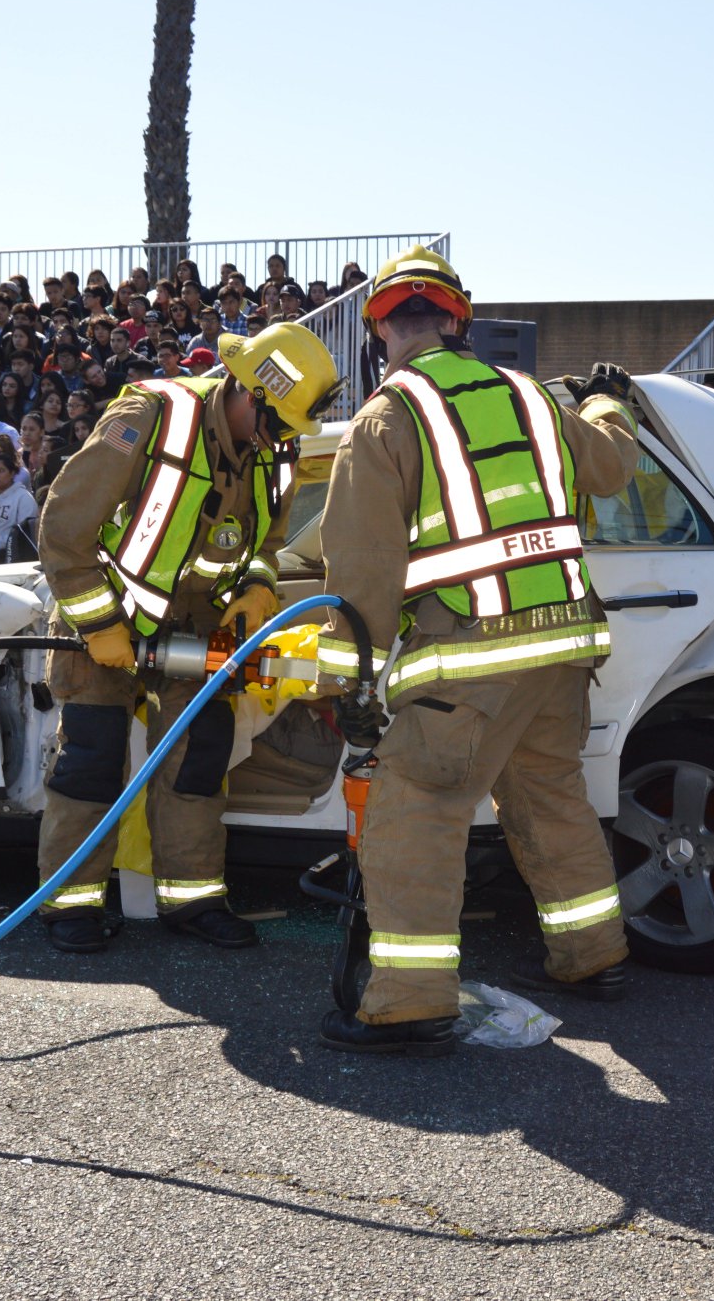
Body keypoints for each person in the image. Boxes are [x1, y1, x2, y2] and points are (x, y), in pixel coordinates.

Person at [310, 247, 638, 1057]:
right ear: (459, 321)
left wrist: (341, 685)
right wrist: (606, 403)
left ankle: (408, 1003)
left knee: (416, 816)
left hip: (468, 668)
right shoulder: (530, 396)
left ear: (379, 329)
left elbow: (361, 577)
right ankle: (594, 958)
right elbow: (611, 465)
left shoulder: (384, 420)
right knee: (553, 798)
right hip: (562, 654)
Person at [34, 313, 334, 957]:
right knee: (91, 760)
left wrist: (256, 584)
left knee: (201, 759)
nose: (280, 441)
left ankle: (192, 899)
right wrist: (99, 624)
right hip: (106, 619)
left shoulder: (273, 450)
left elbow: (268, 542)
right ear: (248, 393)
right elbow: (63, 528)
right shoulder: (150, 415)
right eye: (277, 422)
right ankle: (70, 905)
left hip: (195, 630)